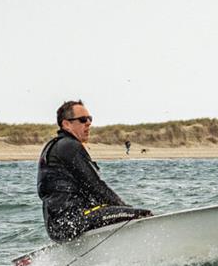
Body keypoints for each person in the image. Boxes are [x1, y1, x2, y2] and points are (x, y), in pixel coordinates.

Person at [37, 100, 152, 242]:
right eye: (83, 119)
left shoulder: (55, 146)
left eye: (90, 119)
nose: (88, 123)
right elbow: (95, 186)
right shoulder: (69, 146)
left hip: (58, 226)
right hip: (71, 221)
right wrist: (125, 209)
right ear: (66, 124)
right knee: (142, 215)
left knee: (117, 212)